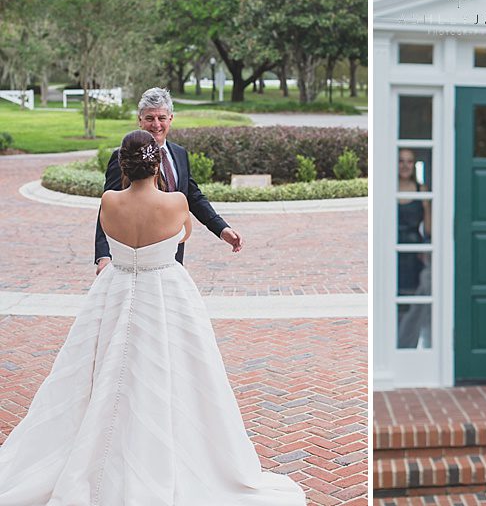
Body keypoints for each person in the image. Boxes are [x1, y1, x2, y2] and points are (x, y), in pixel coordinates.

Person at [0, 130, 305, 505]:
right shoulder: (176, 202)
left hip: (113, 293)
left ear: (122, 164)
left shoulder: (109, 200)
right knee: (173, 373)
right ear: (156, 163)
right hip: (165, 293)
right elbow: (182, 234)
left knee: (102, 373)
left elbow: (112, 234)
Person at [95, 87, 242, 274]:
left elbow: (194, 197)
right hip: (137, 256)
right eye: (149, 118)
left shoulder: (179, 154)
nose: (156, 124)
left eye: (161, 118)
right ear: (140, 120)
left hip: (171, 257)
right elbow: (108, 209)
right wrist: (103, 255)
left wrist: (221, 229)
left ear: (170, 119)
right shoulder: (123, 157)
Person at [396, 148, 432, 348]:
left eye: (409, 161)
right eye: (401, 161)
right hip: (392, 248)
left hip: (412, 250)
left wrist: (427, 207)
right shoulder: (387, 187)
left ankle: (405, 345)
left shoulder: (422, 190)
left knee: (410, 302)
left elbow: (428, 229)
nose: (405, 165)